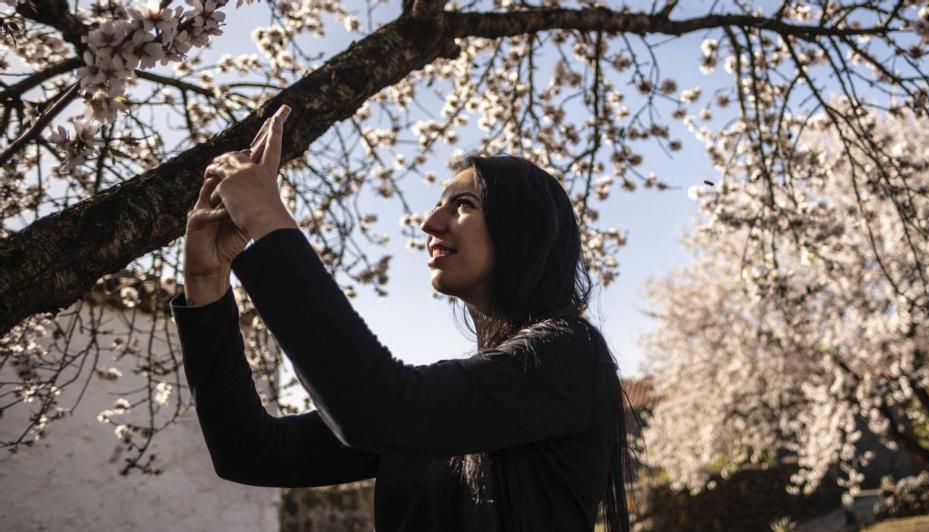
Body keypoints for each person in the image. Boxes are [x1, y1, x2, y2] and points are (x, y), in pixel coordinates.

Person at [170, 104, 632, 531]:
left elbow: (377, 407)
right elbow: (251, 452)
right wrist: (206, 282)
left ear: (525, 232)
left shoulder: (570, 356)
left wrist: (267, 218)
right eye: (438, 204)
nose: (430, 223)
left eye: (464, 204)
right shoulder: (447, 404)